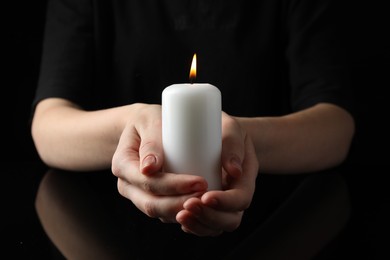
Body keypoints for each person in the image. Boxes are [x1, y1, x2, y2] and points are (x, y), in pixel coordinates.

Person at [31, 0, 355, 259]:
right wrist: (131, 126)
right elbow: (48, 127)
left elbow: (336, 127)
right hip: (109, 221)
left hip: (271, 216)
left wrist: (239, 138)